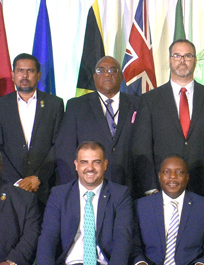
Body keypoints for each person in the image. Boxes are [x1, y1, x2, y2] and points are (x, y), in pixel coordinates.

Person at [134, 39, 204, 200]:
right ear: (170, 60)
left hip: (203, 192)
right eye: (177, 56)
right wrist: (150, 188)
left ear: (195, 60)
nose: (182, 61)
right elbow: (142, 147)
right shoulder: (150, 100)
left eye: (187, 56)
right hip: (161, 191)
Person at [0, 52, 65, 210]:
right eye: (20, 71)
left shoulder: (54, 104)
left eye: (30, 71)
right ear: (13, 75)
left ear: (38, 75)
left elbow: (58, 144)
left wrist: (38, 177)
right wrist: (17, 181)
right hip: (10, 187)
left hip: (44, 188)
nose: (25, 75)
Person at [55, 56, 141, 188]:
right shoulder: (76, 106)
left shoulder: (138, 104)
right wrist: (71, 188)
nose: (107, 74)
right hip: (90, 184)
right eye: (101, 70)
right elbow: (66, 149)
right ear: (94, 77)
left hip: (131, 184)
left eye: (112, 70)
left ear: (121, 77)